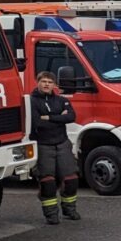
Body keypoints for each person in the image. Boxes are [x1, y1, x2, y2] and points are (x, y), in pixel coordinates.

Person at [29, 71, 79, 225]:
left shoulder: (61, 100)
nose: (46, 84)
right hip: (43, 145)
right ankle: (51, 214)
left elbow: (71, 117)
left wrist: (49, 117)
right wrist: (59, 118)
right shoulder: (31, 101)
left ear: (54, 85)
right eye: (43, 81)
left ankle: (69, 209)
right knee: (48, 182)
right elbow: (37, 123)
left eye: (50, 82)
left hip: (62, 143)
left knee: (71, 179)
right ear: (38, 82)